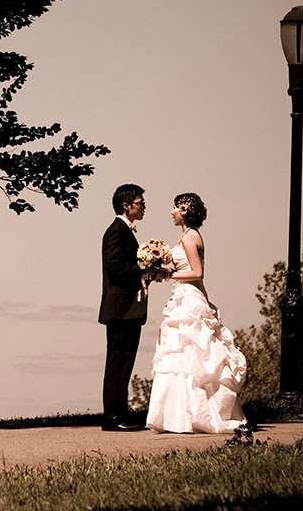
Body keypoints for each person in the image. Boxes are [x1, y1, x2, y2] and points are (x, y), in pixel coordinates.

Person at [145, 193, 247, 433]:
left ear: (185, 210)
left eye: (175, 208)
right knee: (183, 354)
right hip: (185, 295)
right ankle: (179, 415)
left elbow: (197, 272)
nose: (171, 212)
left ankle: (194, 416)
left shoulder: (190, 237)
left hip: (190, 298)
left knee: (192, 353)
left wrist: (167, 275)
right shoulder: (187, 235)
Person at [98, 183, 151, 432]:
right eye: (140, 203)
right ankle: (112, 417)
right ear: (126, 205)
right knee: (117, 362)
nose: (144, 207)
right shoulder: (116, 231)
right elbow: (115, 268)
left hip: (129, 308)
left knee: (125, 362)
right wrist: (143, 269)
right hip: (120, 308)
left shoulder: (126, 231)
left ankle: (121, 412)